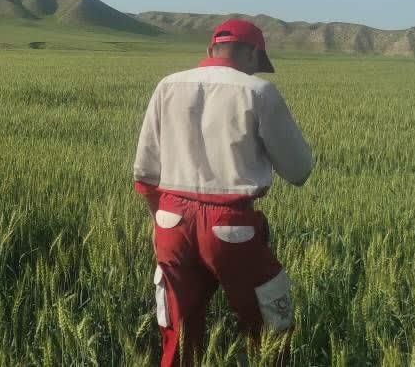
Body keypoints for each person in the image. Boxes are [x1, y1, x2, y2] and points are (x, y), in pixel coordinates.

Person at [134, 19, 314, 366]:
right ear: (250, 54)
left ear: (210, 51)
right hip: (232, 227)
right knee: (269, 328)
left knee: (178, 334)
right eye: (257, 63)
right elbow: (299, 170)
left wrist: (162, 224)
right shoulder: (257, 91)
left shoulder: (167, 85)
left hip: (170, 221)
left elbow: (144, 175)